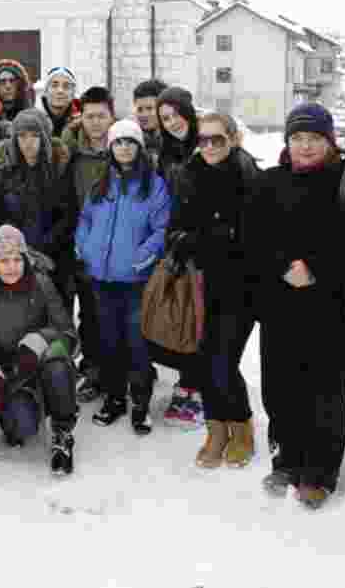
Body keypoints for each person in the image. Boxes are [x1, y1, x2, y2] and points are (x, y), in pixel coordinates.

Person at [247, 103, 345, 510]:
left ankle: (321, 470)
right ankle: (287, 459)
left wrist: (317, 269)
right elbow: (253, 237)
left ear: (330, 140)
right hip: (280, 306)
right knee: (280, 387)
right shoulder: (271, 181)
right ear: (287, 142)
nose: (305, 147)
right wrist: (281, 267)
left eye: (314, 139)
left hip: (331, 309)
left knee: (323, 391)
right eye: (297, 138)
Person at [168, 112, 261, 466]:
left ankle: (241, 427)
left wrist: (205, 238)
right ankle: (215, 427)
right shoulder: (189, 175)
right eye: (203, 139)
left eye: (217, 139)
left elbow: (250, 237)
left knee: (223, 360)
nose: (208, 146)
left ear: (234, 139)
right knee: (204, 360)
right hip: (200, 284)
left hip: (241, 286)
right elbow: (177, 229)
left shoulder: (250, 177)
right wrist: (194, 241)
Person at [76, 120, 170, 435]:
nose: (124, 148)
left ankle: (140, 403)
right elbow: (86, 220)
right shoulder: (101, 184)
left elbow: (160, 228)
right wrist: (85, 248)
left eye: (130, 142)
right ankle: (115, 398)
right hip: (102, 279)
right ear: (111, 148)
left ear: (139, 148)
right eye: (119, 143)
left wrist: (141, 257)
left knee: (136, 343)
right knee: (109, 342)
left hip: (135, 280)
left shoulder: (153, 185)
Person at [0, 225, 79, 474]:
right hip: (12, 375)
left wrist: (40, 340)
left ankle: (62, 430)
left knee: (58, 362)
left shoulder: (41, 283)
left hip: (42, 364)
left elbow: (69, 335)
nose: (12, 266)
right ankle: (31, 405)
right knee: (20, 428)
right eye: (4, 260)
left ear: (26, 259)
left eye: (17, 258)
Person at [151, 86, 203, 428]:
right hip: (176, 244)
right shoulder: (166, 154)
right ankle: (186, 384)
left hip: (206, 245)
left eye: (177, 115)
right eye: (165, 118)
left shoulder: (207, 146)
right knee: (181, 314)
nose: (173, 123)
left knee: (201, 319)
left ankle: (196, 390)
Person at [0, 108, 74, 288]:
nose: (28, 143)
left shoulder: (59, 168)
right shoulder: (2, 169)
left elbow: (67, 215)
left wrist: (45, 246)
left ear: (44, 138)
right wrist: (11, 246)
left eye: (34, 136)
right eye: (22, 136)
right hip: (11, 256)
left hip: (53, 257)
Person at [61, 86, 115, 403]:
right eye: (89, 116)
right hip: (84, 247)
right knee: (91, 315)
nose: (95, 123)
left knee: (117, 314)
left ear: (111, 115)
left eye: (101, 116)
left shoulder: (124, 146)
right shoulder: (71, 152)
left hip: (119, 247)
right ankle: (93, 372)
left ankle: (119, 374)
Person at [38, 66, 82, 138]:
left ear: (73, 93)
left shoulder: (82, 124)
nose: (60, 91)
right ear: (46, 91)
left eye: (66, 86)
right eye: (54, 85)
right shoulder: (34, 120)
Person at [132, 79, 168, 157]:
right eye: (139, 109)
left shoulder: (179, 141)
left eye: (149, 108)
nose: (144, 115)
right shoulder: (130, 141)